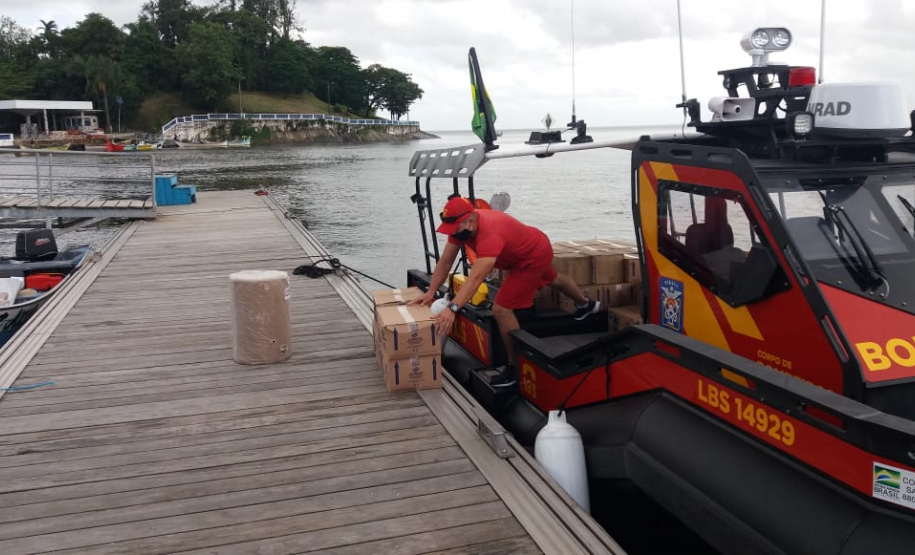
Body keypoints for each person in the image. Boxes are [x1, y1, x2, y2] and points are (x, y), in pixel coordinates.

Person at [410, 196, 600, 387]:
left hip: (531, 258)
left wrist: (452, 308)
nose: (452, 234)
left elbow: (476, 278)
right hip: (532, 244)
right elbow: (446, 261)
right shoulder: (462, 228)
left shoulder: (490, 233)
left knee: (501, 309)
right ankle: (587, 304)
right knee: (553, 278)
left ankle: (514, 368)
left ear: (469, 220)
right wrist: (431, 291)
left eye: (455, 229)